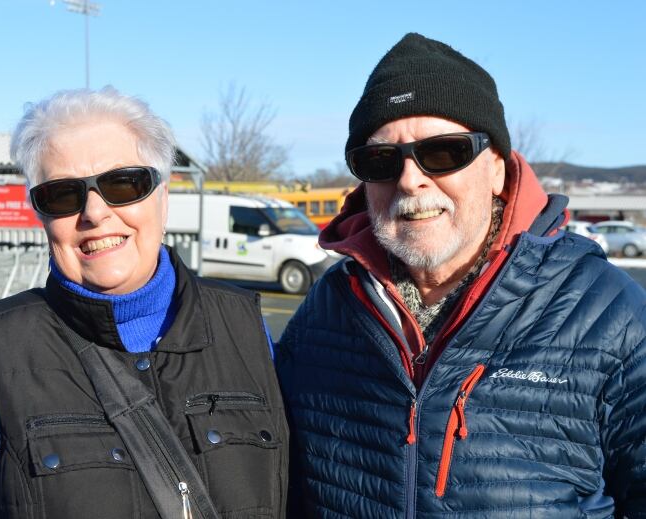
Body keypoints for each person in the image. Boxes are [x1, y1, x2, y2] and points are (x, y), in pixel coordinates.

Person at [276, 33, 646, 517]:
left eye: (444, 152)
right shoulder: (327, 310)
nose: (410, 179)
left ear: (497, 169)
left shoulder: (606, 313)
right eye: (381, 160)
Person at [0, 87, 288, 518]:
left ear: (162, 198)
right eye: (62, 194)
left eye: (123, 183)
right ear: (42, 217)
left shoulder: (245, 326)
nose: (94, 212)